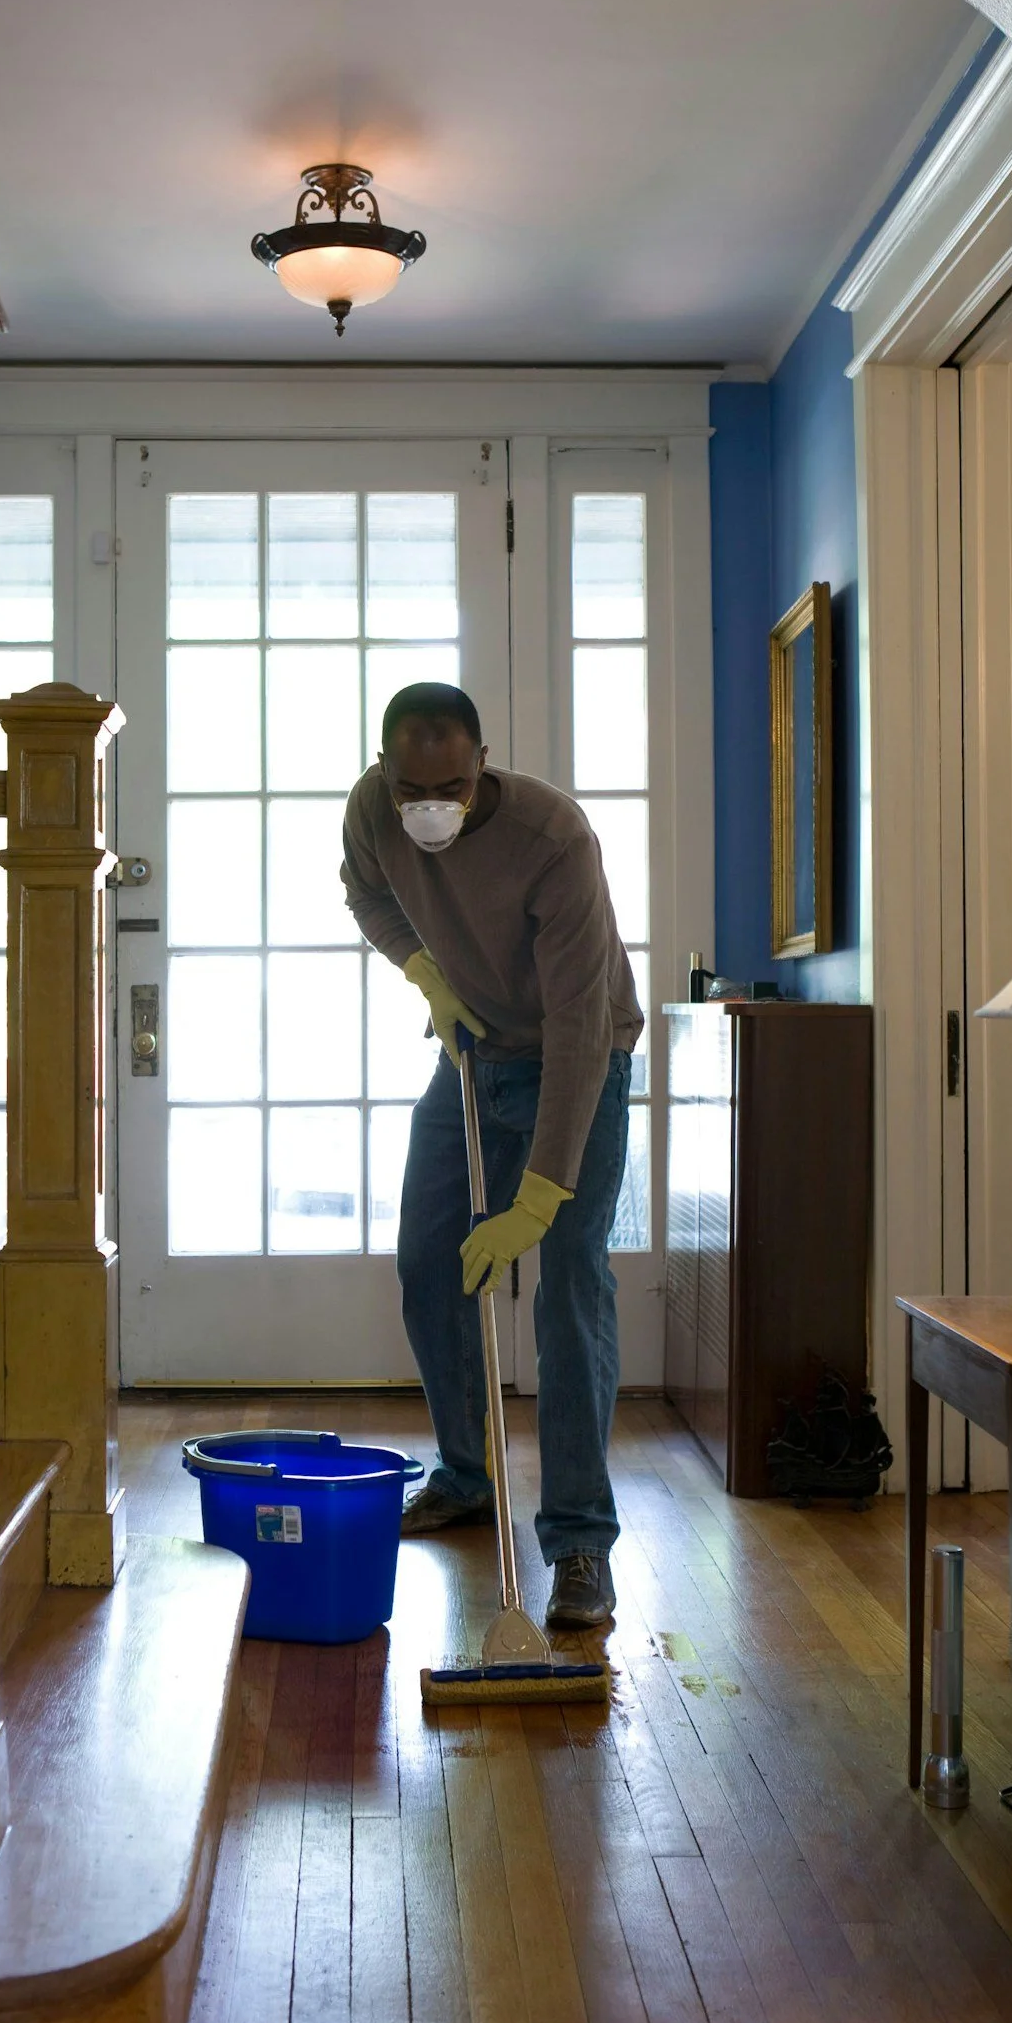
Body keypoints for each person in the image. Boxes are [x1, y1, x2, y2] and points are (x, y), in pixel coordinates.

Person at [340, 682, 642, 1629]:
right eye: (410, 786)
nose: (430, 804)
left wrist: (539, 1197)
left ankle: (581, 1542)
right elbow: (366, 892)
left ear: (481, 767)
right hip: (469, 1058)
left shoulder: (553, 839)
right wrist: (425, 974)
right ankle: (466, 1478)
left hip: (578, 1061)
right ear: (387, 771)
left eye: (452, 785)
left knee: (568, 1285)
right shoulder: (370, 808)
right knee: (429, 1260)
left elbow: (580, 1027)